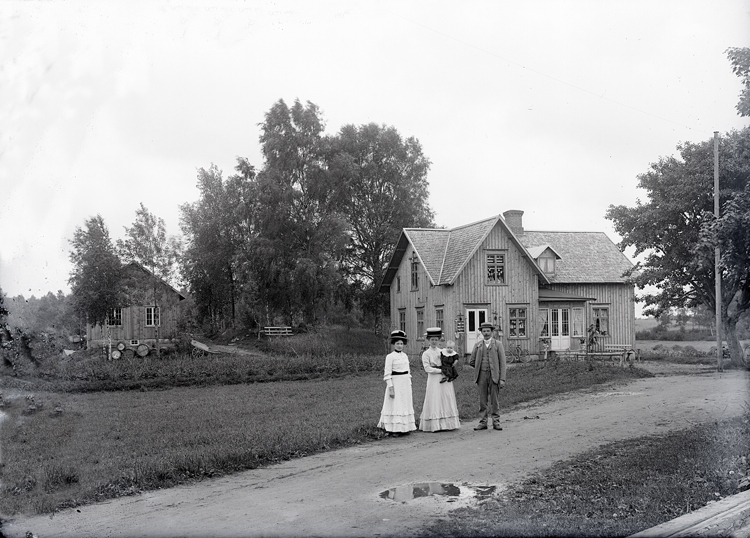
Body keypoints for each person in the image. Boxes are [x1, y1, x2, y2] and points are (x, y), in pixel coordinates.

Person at [419, 327, 461, 432]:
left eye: (436, 339)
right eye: (432, 340)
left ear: (439, 340)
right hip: (434, 378)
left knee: (445, 397)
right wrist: (440, 371)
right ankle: (434, 424)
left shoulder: (443, 351)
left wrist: (452, 365)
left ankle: (447, 424)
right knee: (435, 397)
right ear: (428, 340)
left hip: (445, 377)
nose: (434, 342)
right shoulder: (426, 353)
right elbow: (427, 368)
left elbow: (453, 357)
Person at [377, 330, 417, 435]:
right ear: (394, 344)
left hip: (405, 384)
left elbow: (408, 371)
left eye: (401, 344)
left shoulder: (405, 356)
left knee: (404, 404)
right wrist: (391, 388)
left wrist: (409, 384)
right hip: (396, 383)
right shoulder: (390, 357)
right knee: (396, 404)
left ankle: (405, 427)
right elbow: (387, 374)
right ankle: (394, 428)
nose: (400, 346)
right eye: (397, 343)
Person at [469, 322, 507, 431]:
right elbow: (472, 361)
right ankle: (483, 422)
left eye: (488, 331)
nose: (486, 333)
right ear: (481, 332)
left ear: (492, 332)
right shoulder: (478, 345)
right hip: (481, 375)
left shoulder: (498, 344)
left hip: (494, 376)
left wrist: (502, 379)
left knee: (494, 400)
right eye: (484, 331)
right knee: (482, 400)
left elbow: (502, 363)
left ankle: (496, 421)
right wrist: (479, 367)